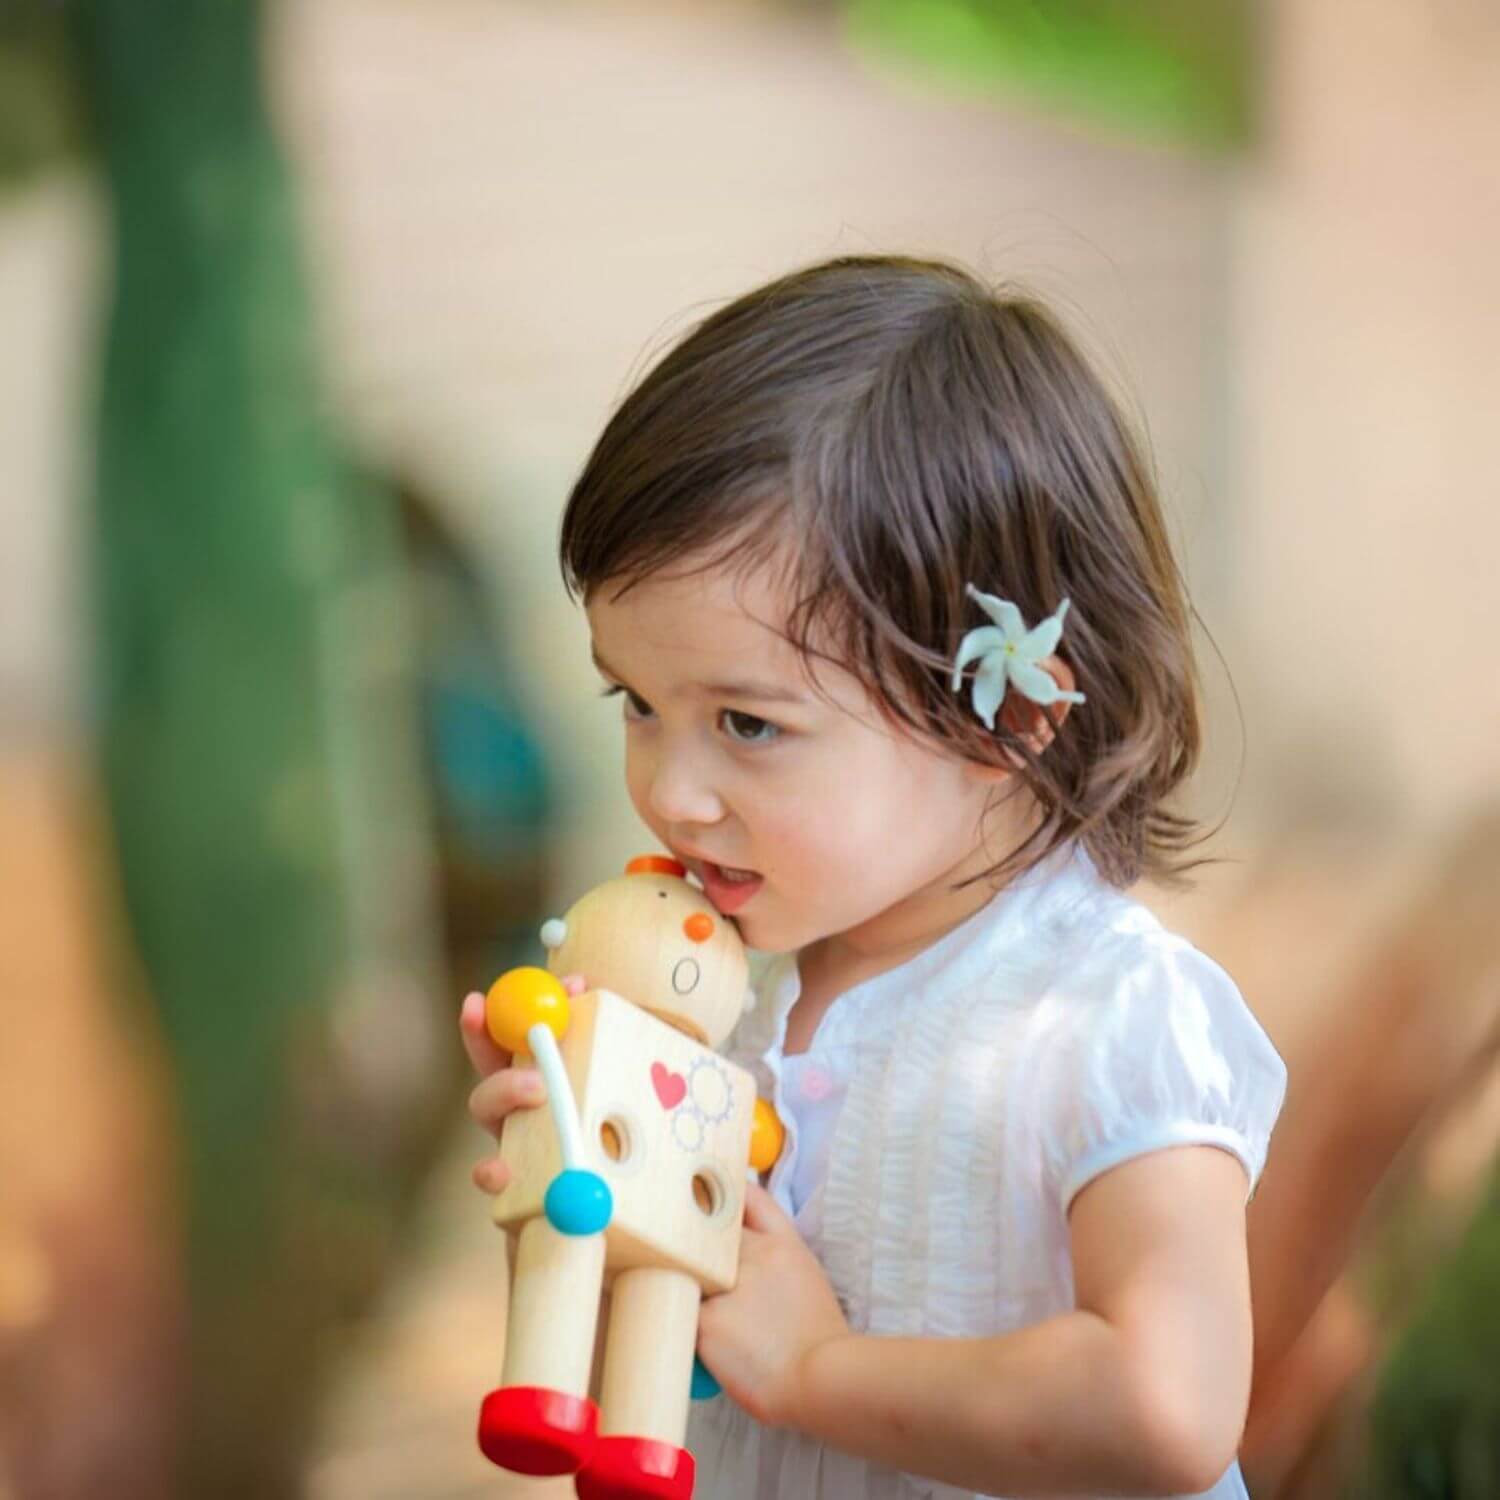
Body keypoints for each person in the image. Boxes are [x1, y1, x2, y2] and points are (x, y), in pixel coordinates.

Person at [460, 255, 1287, 1500]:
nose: (670, 793)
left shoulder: (1108, 1021)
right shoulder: (726, 1007)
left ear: (1004, 723)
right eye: (635, 700)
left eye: (746, 724)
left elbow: (1165, 1408)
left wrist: (822, 1368)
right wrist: (583, 1187)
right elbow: (677, 1386)